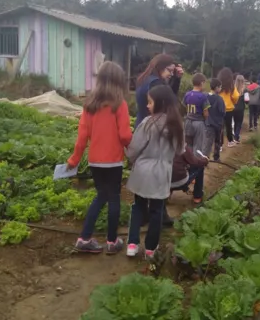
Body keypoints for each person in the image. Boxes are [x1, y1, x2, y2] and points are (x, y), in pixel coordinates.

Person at [67, 61, 132, 255]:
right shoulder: (120, 105)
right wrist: (133, 148)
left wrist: (74, 160)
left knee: (101, 196)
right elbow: (125, 135)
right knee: (113, 198)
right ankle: (112, 241)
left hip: (95, 161)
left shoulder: (90, 105)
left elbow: (81, 138)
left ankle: (84, 238)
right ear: (118, 81)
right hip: (113, 160)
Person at [125, 84, 184, 259]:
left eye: (150, 102)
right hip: (161, 172)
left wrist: (128, 157)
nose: (147, 106)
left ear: (160, 103)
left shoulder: (147, 123)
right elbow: (180, 150)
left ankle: (132, 244)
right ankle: (151, 249)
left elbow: (135, 148)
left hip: (143, 171)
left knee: (138, 207)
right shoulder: (177, 124)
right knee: (157, 210)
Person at [134, 53, 183, 129]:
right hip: (153, 128)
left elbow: (169, 94)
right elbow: (170, 101)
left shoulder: (145, 79)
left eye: (173, 71)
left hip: (142, 124)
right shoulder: (156, 83)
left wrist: (176, 79)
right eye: (169, 70)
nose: (171, 74)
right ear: (160, 67)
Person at [183, 73, 210, 152]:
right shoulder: (203, 96)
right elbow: (206, 113)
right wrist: (205, 120)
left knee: (188, 144)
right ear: (202, 83)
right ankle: (196, 163)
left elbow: (184, 107)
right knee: (198, 145)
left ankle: (188, 161)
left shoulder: (187, 94)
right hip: (198, 122)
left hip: (188, 121)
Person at [216, 67, 239, 147]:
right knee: (228, 126)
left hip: (219, 108)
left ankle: (220, 144)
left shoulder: (218, 85)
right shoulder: (231, 86)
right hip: (229, 109)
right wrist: (233, 102)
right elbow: (236, 96)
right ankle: (230, 141)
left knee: (220, 127)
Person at [204, 78, 225, 161]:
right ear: (216, 88)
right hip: (218, 123)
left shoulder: (205, 96)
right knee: (217, 141)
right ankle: (216, 157)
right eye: (220, 87)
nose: (221, 89)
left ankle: (205, 157)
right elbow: (222, 112)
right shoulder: (219, 99)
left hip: (208, 122)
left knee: (208, 142)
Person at [232, 74, 247, 143]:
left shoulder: (233, 89)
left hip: (233, 107)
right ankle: (236, 137)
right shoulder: (245, 90)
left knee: (235, 122)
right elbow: (247, 100)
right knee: (239, 123)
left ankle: (235, 135)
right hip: (241, 108)